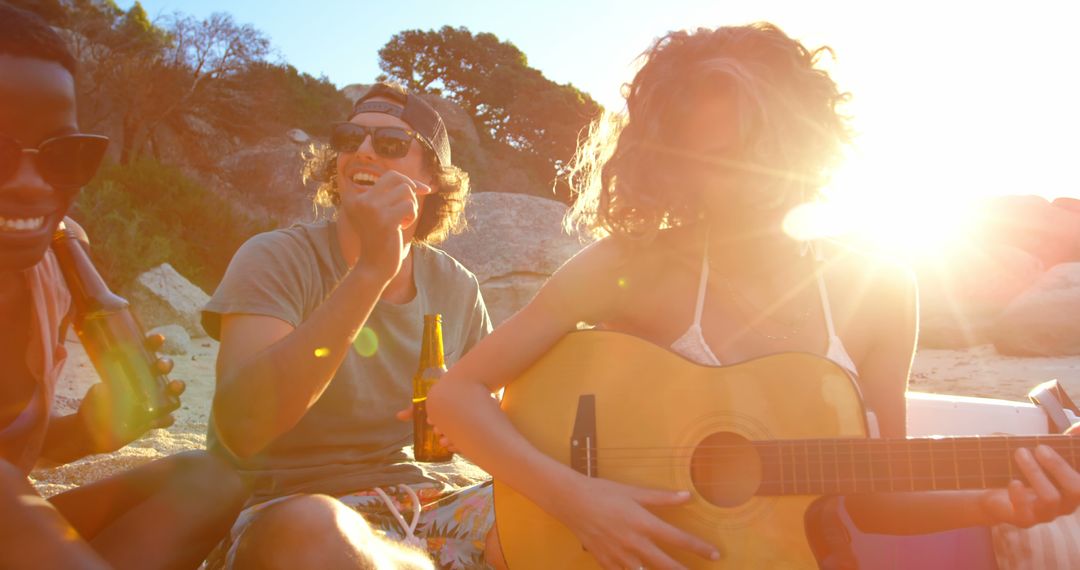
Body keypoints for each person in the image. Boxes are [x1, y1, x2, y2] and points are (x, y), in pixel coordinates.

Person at [427, 22, 1080, 569]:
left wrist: (991, 505)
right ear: (673, 167)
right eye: (718, 158)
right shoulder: (634, 267)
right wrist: (577, 500)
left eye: (770, 144)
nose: (752, 176)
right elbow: (454, 395)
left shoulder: (880, 289)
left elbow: (876, 496)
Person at [203, 81, 496, 568]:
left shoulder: (456, 285)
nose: (362, 151)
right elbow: (242, 427)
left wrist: (462, 425)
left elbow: (494, 410)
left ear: (432, 180)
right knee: (318, 535)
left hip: (421, 499)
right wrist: (371, 272)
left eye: (390, 144)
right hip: (294, 505)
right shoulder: (275, 257)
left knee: (556, 519)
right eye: (348, 138)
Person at [0, 4, 247, 569]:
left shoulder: (53, 267)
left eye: (63, 155)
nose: (32, 186)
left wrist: (89, 430)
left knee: (205, 480)